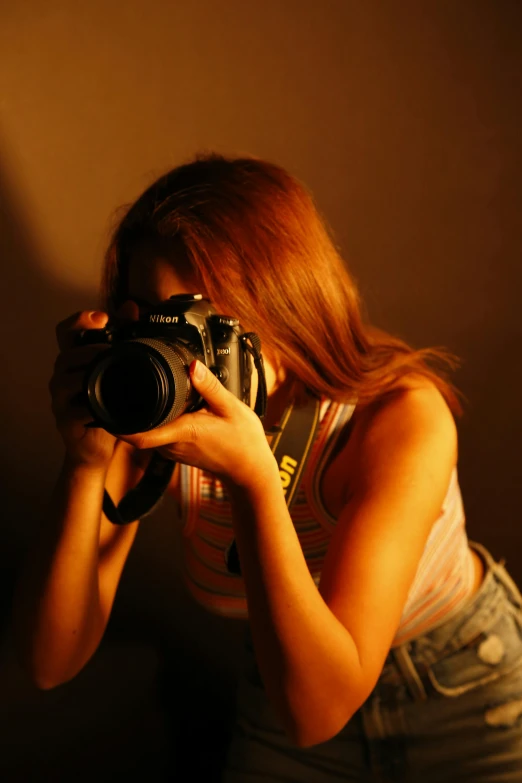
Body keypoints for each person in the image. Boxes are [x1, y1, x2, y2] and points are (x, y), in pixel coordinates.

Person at [13, 154, 522, 782]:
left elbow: (321, 708)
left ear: (286, 300)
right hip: (288, 684)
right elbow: (49, 661)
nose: (178, 353)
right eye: (157, 321)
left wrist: (255, 478)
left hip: (465, 691)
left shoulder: (398, 417)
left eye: (205, 323)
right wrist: (85, 463)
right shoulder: (153, 410)